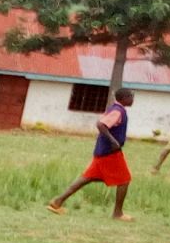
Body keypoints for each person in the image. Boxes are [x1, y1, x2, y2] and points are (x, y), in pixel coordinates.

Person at [50, 87, 135, 219]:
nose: (132, 99)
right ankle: (117, 213)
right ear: (124, 98)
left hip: (102, 152)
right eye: (130, 96)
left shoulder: (114, 109)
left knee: (86, 179)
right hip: (110, 153)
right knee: (124, 180)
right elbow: (101, 125)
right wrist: (113, 141)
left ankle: (57, 202)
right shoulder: (118, 111)